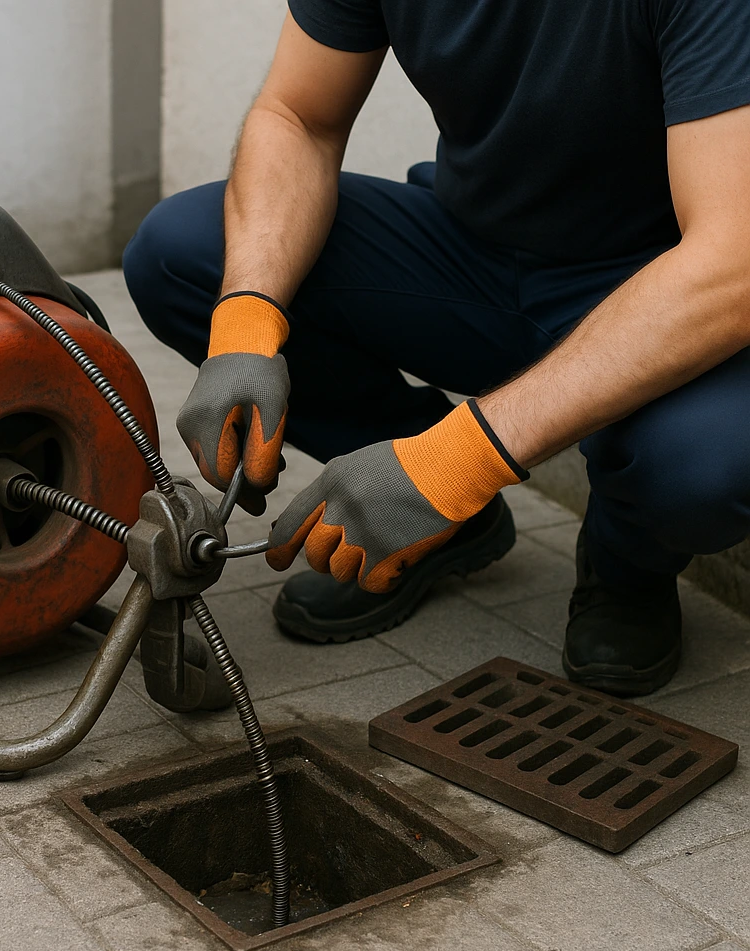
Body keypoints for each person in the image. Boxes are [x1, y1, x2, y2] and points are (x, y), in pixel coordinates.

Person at [123, 1, 750, 698]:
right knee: (184, 256)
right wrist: (246, 317)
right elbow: (298, 116)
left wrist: (461, 460)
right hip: (471, 261)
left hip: (655, 285)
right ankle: (433, 517)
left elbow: (734, 261)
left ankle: (627, 567)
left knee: (710, 461)